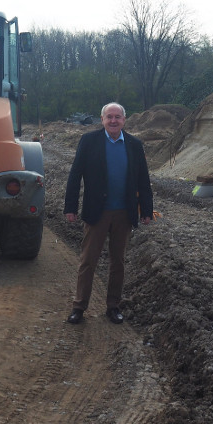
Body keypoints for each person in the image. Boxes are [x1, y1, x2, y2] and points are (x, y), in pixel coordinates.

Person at [64, 102, 154, 325]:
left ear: (124, 120)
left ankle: (113, 306)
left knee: (118, 262)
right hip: (97, 212)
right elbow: (75, 175)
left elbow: (143, 180)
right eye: (109, 117)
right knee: (88, 261)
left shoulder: (134, 144)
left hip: (124, 213)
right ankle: (79, 307)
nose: (113, 121)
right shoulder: (89, 141)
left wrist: (147, 210)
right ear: (102, 119)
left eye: (118, 117)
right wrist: (70, 207)